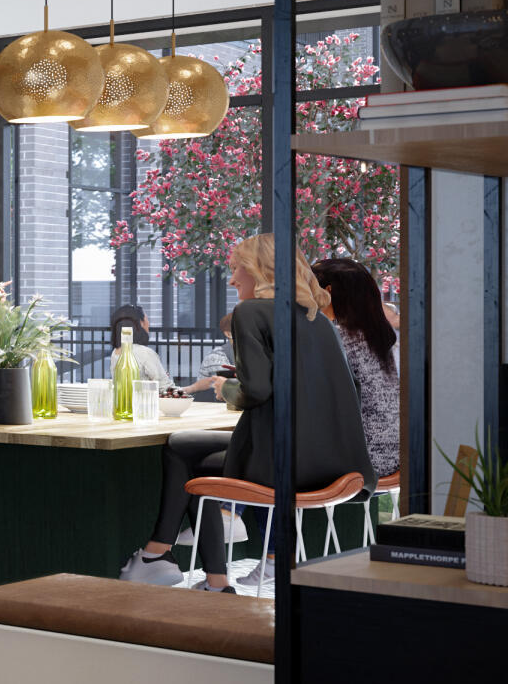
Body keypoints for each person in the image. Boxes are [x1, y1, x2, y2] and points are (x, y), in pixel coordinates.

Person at [124, 236, 370, 590]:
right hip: (330, 465)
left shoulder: (251, 312)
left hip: (284, 466)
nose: (232, 279)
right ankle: (177, 565)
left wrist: (227, 389)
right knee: (184, 444)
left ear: (259, 270)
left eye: (237, 267)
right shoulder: (317, 320)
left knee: (182, 453)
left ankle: (171, 562)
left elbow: (256, 391)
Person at [313, 255, 400, 483]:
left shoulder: (337, 337)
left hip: (358, 461)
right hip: (393, 455)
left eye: (309, 288)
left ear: (327, 292)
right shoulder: (379, 336)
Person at [105, 304, 174, 392]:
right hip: (146, 400)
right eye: (146, 319)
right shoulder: (145, 353)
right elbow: (166, 388)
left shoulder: (115, 352)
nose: (148, 323)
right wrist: (190, 388)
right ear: (140, 323)